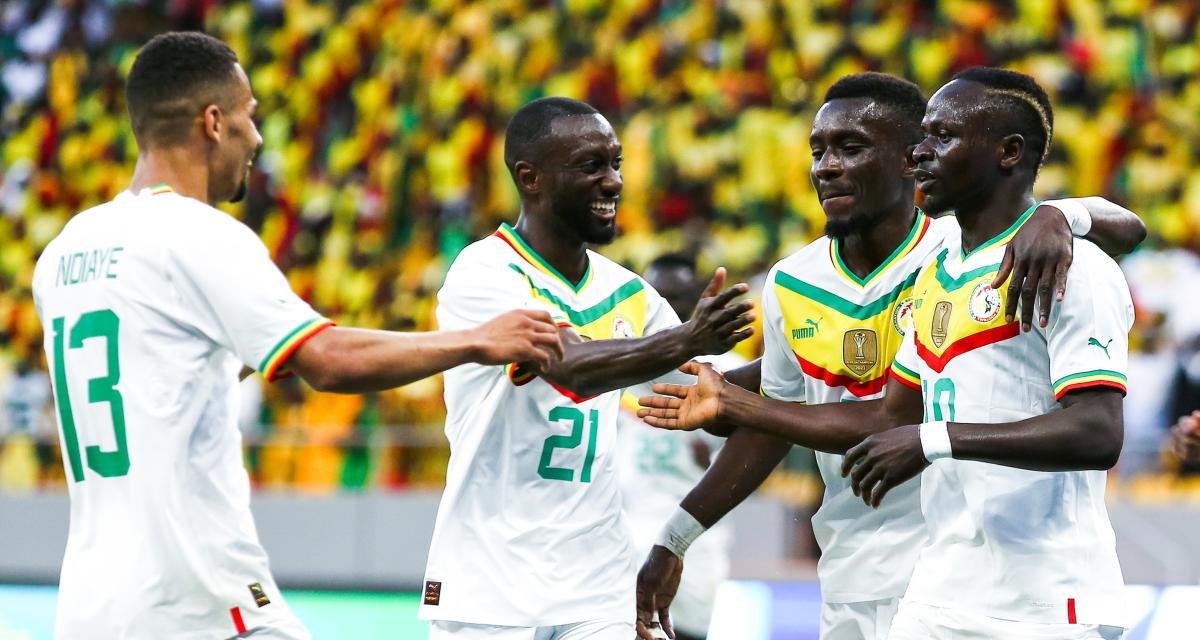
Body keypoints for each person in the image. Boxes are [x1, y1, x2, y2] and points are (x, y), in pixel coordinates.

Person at [31, 32, 564, 640]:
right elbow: (329, 361)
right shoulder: (197, 234)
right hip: (198, 600)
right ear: (214, 123)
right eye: (250, 116)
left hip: (89, 606)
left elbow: (158, 372)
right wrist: (477, 340)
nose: (257, 138)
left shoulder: (65, 252)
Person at [635, 70, 1145, 640]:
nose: (826, 167)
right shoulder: (848, 280)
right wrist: (679, 529)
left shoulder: (1008, 255)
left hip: (1020, 584)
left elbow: (1128, 234)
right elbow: (849, 414)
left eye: (850, 148)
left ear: (907, 159)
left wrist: (1063, 214)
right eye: (818, 151)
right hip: (890, 574)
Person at [422, 96, 756, 640]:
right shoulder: (485, 272)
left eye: (616, 163)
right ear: (530, 178)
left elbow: (711, 389)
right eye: (590, 166)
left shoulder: (629, 292)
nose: (613, 182)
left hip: (597, 583)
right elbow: (570, 367)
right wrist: (688, 336)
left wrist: (799, 361)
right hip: (489, 579)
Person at [615, 254, 745, 640]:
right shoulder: (623, 358)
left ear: (696, 298)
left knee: (681, 632)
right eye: (657, 294)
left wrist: (715, 451)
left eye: (676, 295)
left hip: (696, 538)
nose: (665, 304)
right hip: (626, 527)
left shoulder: (730, 370)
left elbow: (754, 454)